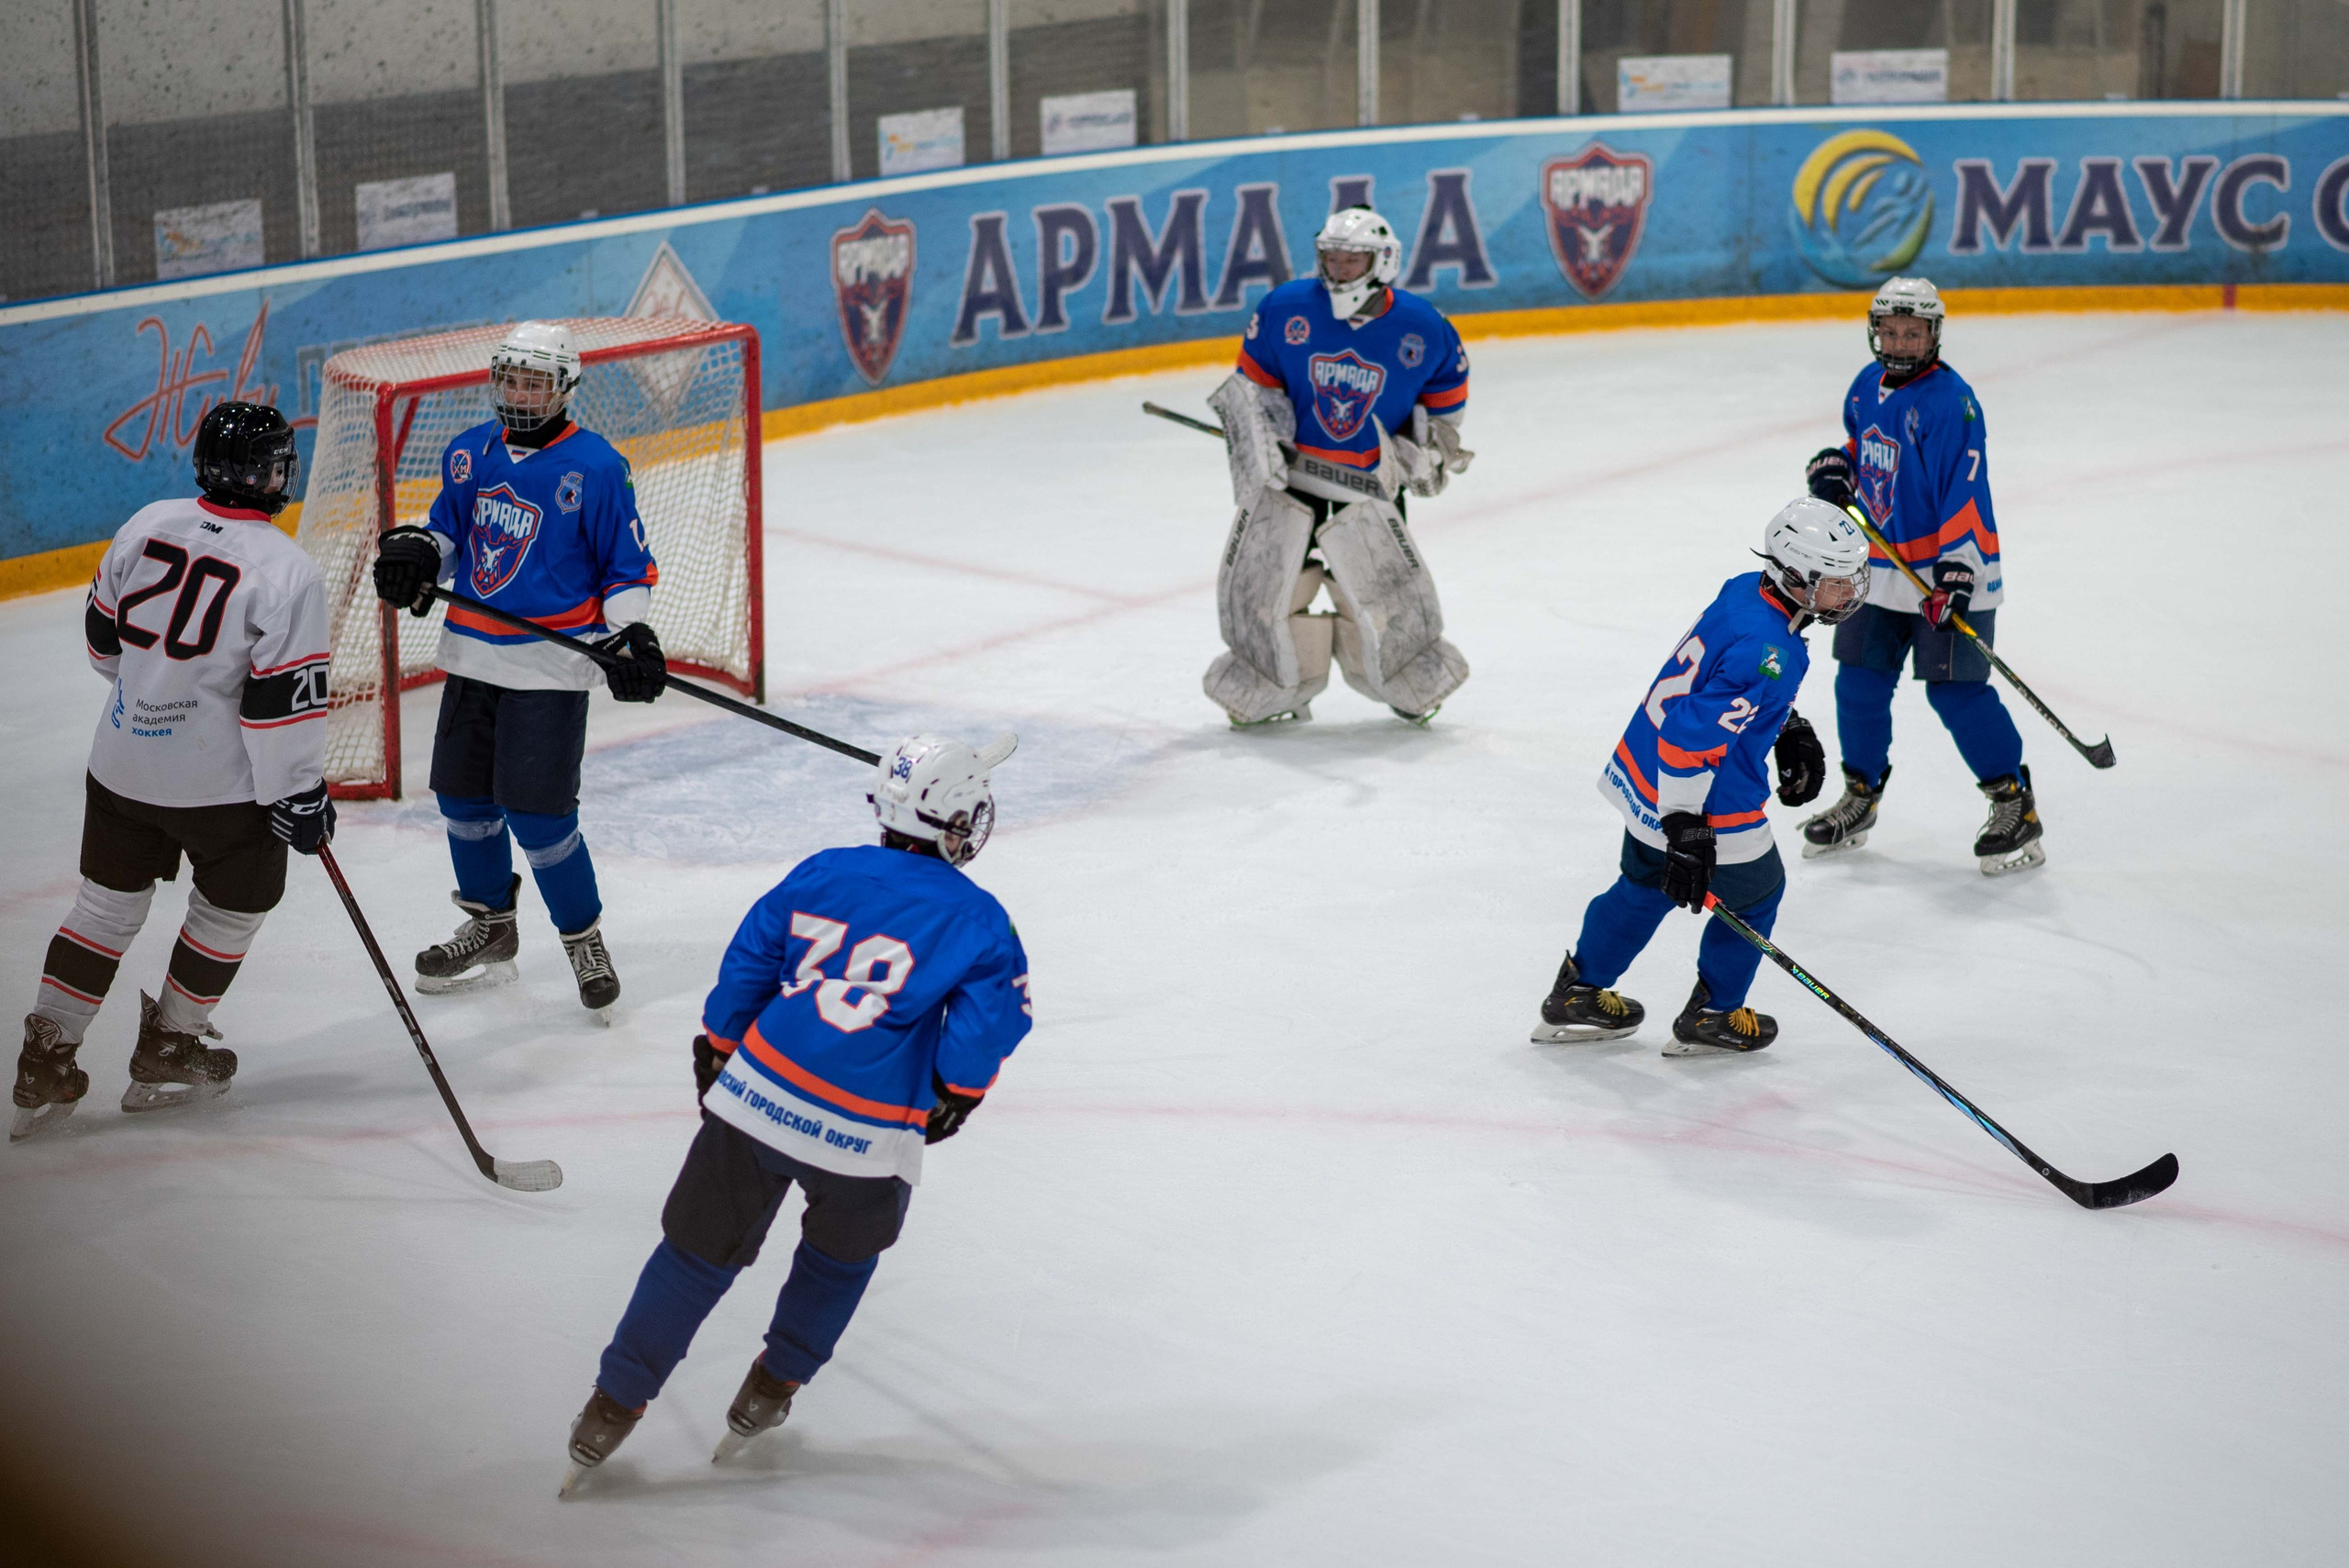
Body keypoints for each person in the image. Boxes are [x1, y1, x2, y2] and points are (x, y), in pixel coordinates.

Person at [560, 733, 1032, 1494]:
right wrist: (955, 1093)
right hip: (867, 1138)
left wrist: (719, 1040)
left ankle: (610, 1404)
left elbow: (751, 954)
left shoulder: (823, 869)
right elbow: (988, 1026)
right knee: (837, 1265)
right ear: (953, 821)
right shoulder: (981, 918)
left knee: (691, 1258)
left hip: (757, 1099)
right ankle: (771, 1388)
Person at [13, 402, 334, 1142]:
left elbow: (102, 645)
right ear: (273, 474)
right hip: (221, 788)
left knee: (103, 907)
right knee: (234, 901)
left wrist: (158, 693)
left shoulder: (146, 521)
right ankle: (169, 1042)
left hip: (121, 765)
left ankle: (43, 1058)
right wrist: (300, 791)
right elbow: (279, 707)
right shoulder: (287, 568)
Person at [370, 322, 670, 1016]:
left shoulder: (596, 467)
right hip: (471, 655)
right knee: (464, 804)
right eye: (512, 378)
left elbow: (625, 568)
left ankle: (582, 938)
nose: (520, 392)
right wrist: (418, 552)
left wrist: (632, 637)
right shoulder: (469, 451)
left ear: (565, 386)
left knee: (540, 817)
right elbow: (448, 533)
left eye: (535, 381)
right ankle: (491, 926)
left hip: (550, 667)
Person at [1531, 499, 1867, 1055]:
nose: (1849, 594)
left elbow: (1717, 686)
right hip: (1705, 793)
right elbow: (1694, 735)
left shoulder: (1745, 591)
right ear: (1793, 575)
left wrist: (1786, 726)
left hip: (1646, 773)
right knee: (1758, 894)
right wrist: (1685, 824)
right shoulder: (1770, 650)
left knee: (1643, 885)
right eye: (1835, 583)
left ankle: (1577, 992)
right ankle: (1716, 1014)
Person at [1798, 277, 2043, 876]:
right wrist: (1836, 467)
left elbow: (1966, 489)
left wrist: (1956, 572)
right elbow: (1867, 452)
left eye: (1914, 332)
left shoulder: (1949, 402)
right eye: (1891, 330)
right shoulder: (1864, 386)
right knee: (1857, 680)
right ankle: (1861, 796)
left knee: (1954, 690)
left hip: (1948, 570)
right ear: (1875, 330)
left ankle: (2015, 803)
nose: (1901, 342)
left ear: (1933, 334)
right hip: (1880, 569)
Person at [1203, 205, 1475, 728]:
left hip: (1372, 484)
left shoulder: (1423, 326)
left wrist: (1425, 451)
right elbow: (1256, 387)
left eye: (1353, 260)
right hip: (1293, 479)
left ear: (1383, 261)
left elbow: (1444, 402)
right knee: (1273, 586)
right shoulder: (1286, 308)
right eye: (1332, 257)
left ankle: (1403, 679)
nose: (1339, 268)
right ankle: (1275, 686)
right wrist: (1264, 440)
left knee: (1376, 591)